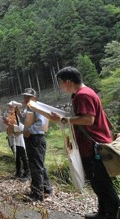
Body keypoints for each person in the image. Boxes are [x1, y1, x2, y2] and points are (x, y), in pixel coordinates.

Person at [52, 66, 120, 219]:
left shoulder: (82, 95)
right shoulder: (85, 93)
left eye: (60, 83)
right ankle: (102, 212)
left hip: (94, 148)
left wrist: (63, 120)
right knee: (97, 184)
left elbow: (88, 119)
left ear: (68, 82)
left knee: (103, 184)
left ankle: (111, 213)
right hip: (93, 146)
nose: (60, 86)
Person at [20, 88, 52, 201]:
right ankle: (46, 189)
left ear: (34, 97)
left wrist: (30, 130)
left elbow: (41, 123)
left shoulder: (37, 107)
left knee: (36, 165)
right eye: (25, 96)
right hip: (31, 138)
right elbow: (25, 121)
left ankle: (37, 194)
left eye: (28, 97)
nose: (26, 99)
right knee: (39, 164)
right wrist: (18, 113)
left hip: (36, 138)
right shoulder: (28, 108)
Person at [3, 101, 29, 179]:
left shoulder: (18, 116)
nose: (10, 108)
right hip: (13, 137)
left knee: (23, 156)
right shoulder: (11, 115)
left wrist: (9, 125)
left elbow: (21, 127)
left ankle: (27, 173)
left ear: (15, 107)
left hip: (19, 137)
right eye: (9, 107)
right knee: (17, 156)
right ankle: (18, 172)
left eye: (12, 106)